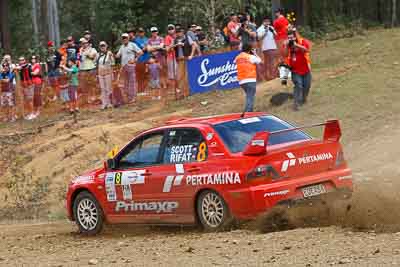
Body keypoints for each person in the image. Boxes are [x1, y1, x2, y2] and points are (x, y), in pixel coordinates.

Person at [285, 30, 312, 111]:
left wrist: (296, 45)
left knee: (307, 86)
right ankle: (296, 104)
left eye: (292, 37)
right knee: (298, 85)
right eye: (289, 38)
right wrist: (287, 46)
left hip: (306, 69)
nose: (291, 39)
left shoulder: (302, 41)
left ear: (295, 36)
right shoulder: (287, 45)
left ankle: (303, 99)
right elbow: (286, 55)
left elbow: (306, 50)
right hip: (295, 71)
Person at [115, 33, 143, 103]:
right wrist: (115, 55)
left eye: (125, 38)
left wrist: (135, 59)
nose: (124, 39)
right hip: (124, 66)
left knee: (132, 82)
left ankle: (133, 97)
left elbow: (140, 52)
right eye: (123, 38)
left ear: (128, 38)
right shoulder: (121, 47)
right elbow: (118, 55)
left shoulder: (132, 45)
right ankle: (128, 97)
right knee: (126, 82)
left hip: (131, 66)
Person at [235, 44, 262, 112]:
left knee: (248, 96)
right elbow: (259, 61)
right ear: (250, 50)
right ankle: (248, 113)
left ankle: (247, 111)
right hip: (250, 79)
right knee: (250, 97)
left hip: (241, 80)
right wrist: (255, 53)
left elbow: (235, 62)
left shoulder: (237, 57)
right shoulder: (250, 57)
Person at [79, 37, 98, 104]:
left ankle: (93, 96)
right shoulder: (80, 50)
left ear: (87, 43)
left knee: (92, 83)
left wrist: (88, 54)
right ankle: (86, 98)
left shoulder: (92, 49)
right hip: (83, 69)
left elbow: (93, 57)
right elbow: (80, 58)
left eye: (84, 43)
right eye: (82, 43)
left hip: (91, 68)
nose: (83, 44)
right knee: (84, 84)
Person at [97, 41, 115, 109]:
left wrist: (112, 73)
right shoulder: (98, 54)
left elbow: (113, 63)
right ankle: (104, 103)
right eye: (101, 46)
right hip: (100, 74)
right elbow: (96, 63)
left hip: (108, 73)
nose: (102, 47)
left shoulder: (109, 53)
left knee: (108, 88)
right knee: (102, 89)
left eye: (103, 45)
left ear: (106, 46)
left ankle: (110, 102)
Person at [134, 27, 150, 93]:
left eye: (142, 32)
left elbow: (148, 48)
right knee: (139, 76)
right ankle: (139, 90)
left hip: (146, 59)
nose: (141, 33)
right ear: (138, 33)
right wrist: (144, 48)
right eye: (140, 32)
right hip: (140, 60)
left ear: (144, 32)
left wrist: (146, 48)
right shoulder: (136, 40)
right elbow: (137, 50)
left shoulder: (147, 39)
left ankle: (144, 89)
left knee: (146, 75)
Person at [174, 27, 187, 98]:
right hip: (179, 59)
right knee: (179, 76)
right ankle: (181, 92)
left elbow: (190, 45)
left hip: (186, 58)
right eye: (178, 32)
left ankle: (185, 92)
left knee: (186, 76)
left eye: (180, 32)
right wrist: (176, 45)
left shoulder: (186, 38)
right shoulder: (175, 40)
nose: (179, 33)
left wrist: (183, 44)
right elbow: (172, 48)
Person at [165, 24, 178, 93]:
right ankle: (172, 89)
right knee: (172, 75)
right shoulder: (167, 37)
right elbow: (167, 49)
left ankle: (175, 88)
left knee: (175, 74)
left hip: (175, 57)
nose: (171, 30)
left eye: (172, 28)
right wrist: (172, 43)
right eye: (169, 29)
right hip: (170, 58)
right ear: (167, 30)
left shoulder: (175, 36)